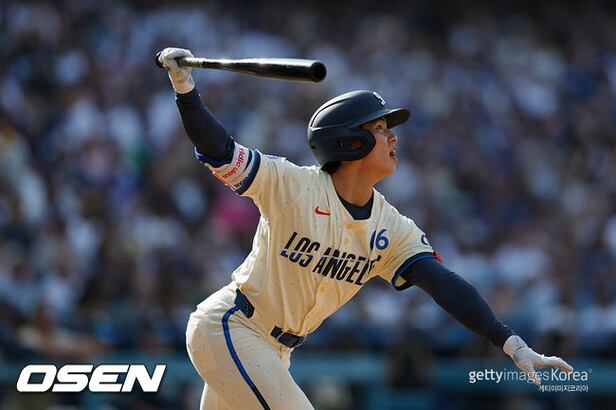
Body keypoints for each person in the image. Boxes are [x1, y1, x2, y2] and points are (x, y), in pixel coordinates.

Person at [157, 47, 573, 410]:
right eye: (379, 129)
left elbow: (442, 283)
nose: (392, 138)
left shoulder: (390, 226)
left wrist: (510, 343)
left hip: (276, 352)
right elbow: (220, 152)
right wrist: (185, 89)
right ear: (350, 142)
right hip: (233, 327)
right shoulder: (293, 185)